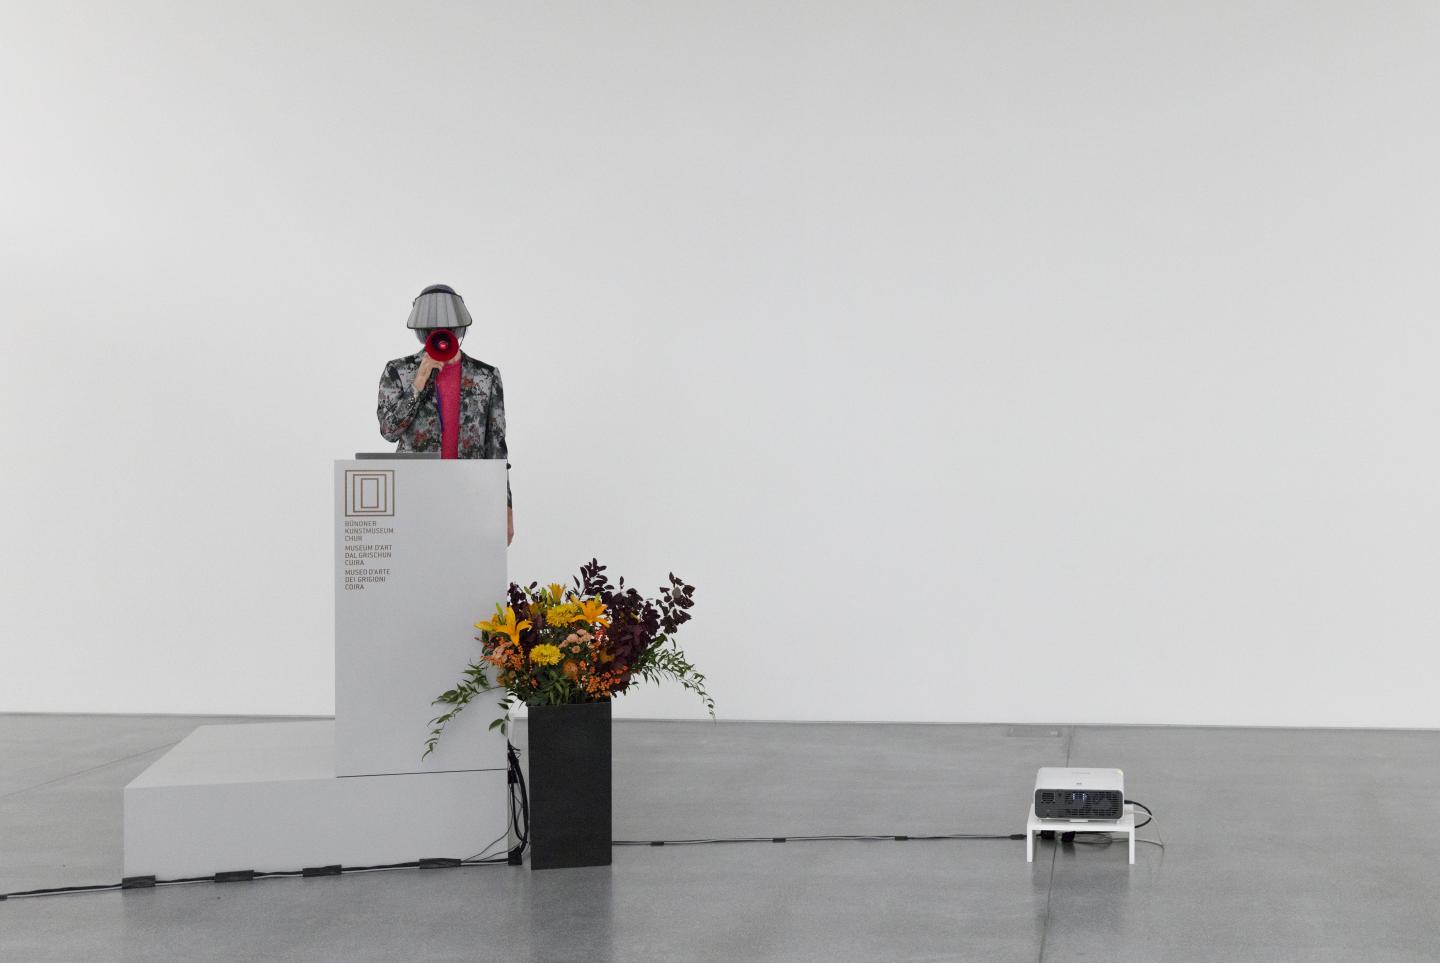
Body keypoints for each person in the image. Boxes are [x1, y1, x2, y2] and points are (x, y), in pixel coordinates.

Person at [376, 283, 513, 545]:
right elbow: (389, 431)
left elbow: (497, 448)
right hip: (415, 494)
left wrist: (506, 507)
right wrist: (419, 381)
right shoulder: (398, 371)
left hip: (470, 494)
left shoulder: (486, 376)